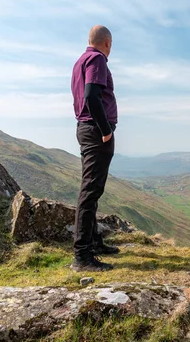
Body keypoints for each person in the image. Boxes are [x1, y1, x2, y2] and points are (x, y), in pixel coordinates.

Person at [70, 25, 120, 272]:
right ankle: (82, 257)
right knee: (90, 192)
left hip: (85, 129)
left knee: (93, 189)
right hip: (95, 131)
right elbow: (92, 96)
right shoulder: (98, 59)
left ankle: (94, 242)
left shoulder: (81, 60)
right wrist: (105, 130)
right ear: (107, 43)